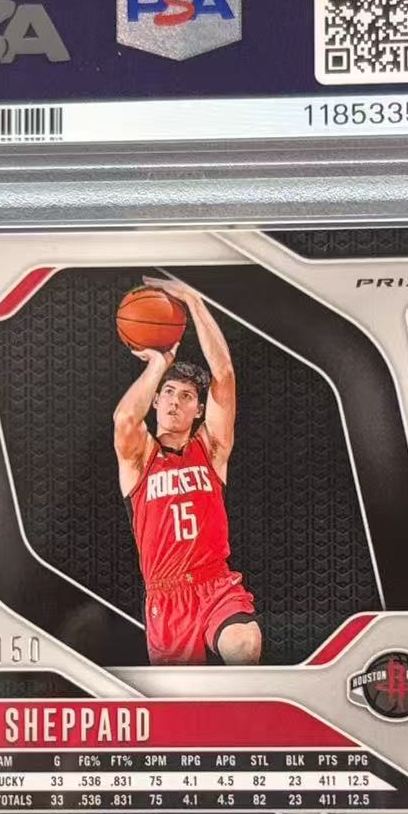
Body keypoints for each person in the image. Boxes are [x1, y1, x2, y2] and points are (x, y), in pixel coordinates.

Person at [113, 278, 262, 666]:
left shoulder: (211, 449)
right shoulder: (139, 458)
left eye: (186, 395)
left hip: (214, 582)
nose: (175, 401)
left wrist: (194, 302)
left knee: (243, 645)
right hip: (166, 596)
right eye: (168, 392)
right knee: (184, 694)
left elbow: (224, 374)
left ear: (199, 409)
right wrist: (158, 364)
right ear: (155, 400)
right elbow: (125, 418)